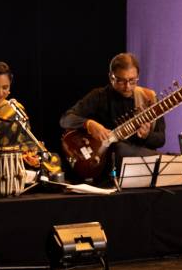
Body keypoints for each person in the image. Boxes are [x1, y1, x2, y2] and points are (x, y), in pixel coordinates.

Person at [60, 52, 164, 182]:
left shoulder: (148, 99)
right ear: (111, 77)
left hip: (139, 173)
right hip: (105, 171)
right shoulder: (98, 96)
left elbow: (161, 139)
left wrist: (147, 135)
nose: (127, 87)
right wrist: (89, 124)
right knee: (119, 148)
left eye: (132, 81)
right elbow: (65, 119)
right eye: (121, 81)